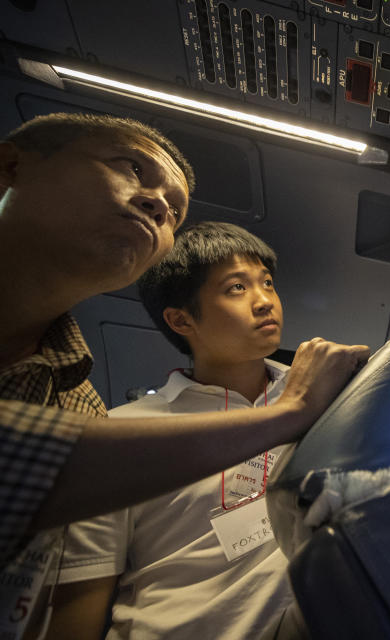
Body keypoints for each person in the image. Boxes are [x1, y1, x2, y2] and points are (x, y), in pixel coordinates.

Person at [0, 113, 367, 635]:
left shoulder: (77, 401)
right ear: (11, 166)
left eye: (174, 210)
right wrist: (292, 413)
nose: (157, 205)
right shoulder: (122, 428)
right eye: (130, 166)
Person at [47, 222, 299, 639]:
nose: (264, 301)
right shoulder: (124, 433)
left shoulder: (323, 398)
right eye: (237, 288)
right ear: (181, 319)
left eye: (267, 283)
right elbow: (83, 591)